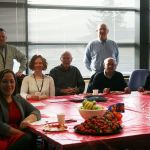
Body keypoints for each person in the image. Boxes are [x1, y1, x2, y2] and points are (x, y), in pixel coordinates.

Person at [0, 69, 41, 150]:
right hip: (3, 138)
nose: (9, 85)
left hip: (19, 136)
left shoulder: (18, 98)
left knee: (33, 137)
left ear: (15, 83)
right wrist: (20, 133)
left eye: (12, 81)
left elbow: (36, 112)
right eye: (4, 81)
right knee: (30, 139)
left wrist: (27, 121)